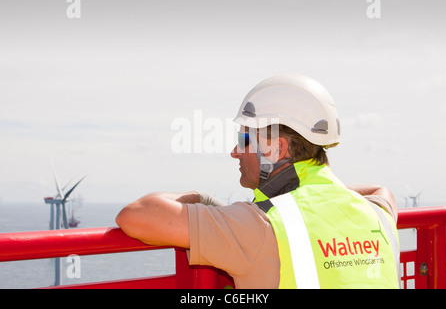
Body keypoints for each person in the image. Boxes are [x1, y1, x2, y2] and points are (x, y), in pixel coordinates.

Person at [116, 74, 400, 289]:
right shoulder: (378, 214)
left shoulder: (259, 226)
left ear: (276, 149)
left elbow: (136, 216)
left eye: (244, 140)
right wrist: (315, 195)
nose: (235, 151)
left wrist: (203, 199)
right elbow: (381, 190)